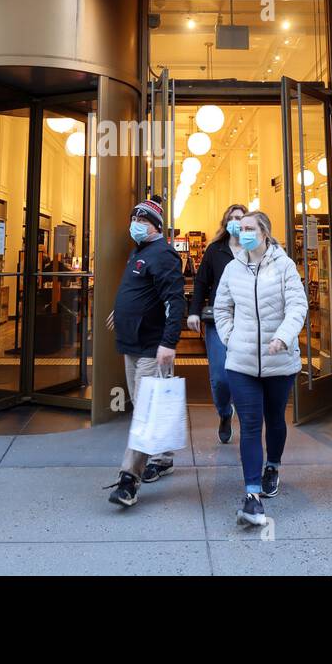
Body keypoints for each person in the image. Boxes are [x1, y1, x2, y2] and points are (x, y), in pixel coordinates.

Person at [213, 211, 307, 526]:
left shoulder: (284, 266)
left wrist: (283, 336)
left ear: (264, 232)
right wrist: (230, 338)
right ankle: (252, 496)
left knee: (275, 418)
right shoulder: (232, 267)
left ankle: (273, 466)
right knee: (250, 425)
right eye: (241, 229)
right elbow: (222, 307)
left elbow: (298, 306)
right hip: (241, 363)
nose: (244, 233)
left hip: (279, 361)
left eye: (250, 228)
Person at [105, 196, 186, 507]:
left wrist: (169, 343)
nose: (135, 225)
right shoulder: (138, 251)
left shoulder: (164, 254)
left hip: (152, 347)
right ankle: (163, 457)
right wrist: (122, 311)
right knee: (143, 406)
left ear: (155, 226)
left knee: (143, 413)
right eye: (133, 219)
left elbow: (175, 301)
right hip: (132, 343)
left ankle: (129, 480)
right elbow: (140, 291)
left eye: (142, 221)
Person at [188, 203, 247, 443]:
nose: (236, 222)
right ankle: (224, 412)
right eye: (231, 218)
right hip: (219, 320)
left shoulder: (255, 249)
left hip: (248, 321)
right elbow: (202, 282)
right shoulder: (215, 250)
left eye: (240, 218)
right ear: (225, 223)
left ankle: (248, 420)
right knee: (220, 376)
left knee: (246, 373)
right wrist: (194, 312)